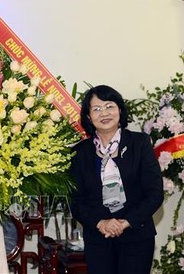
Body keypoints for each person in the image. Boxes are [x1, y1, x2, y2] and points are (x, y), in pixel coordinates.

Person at [69, 85, 163, 274]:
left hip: (137, 236)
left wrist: (125, 222)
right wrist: (101, 223)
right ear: (88, 117)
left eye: (109, 106)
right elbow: (76, 202)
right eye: (96, 109)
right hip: (98, 238)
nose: (104, 113)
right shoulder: (80, 153)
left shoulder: (140, 143)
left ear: (119, 109)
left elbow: (154, 194)